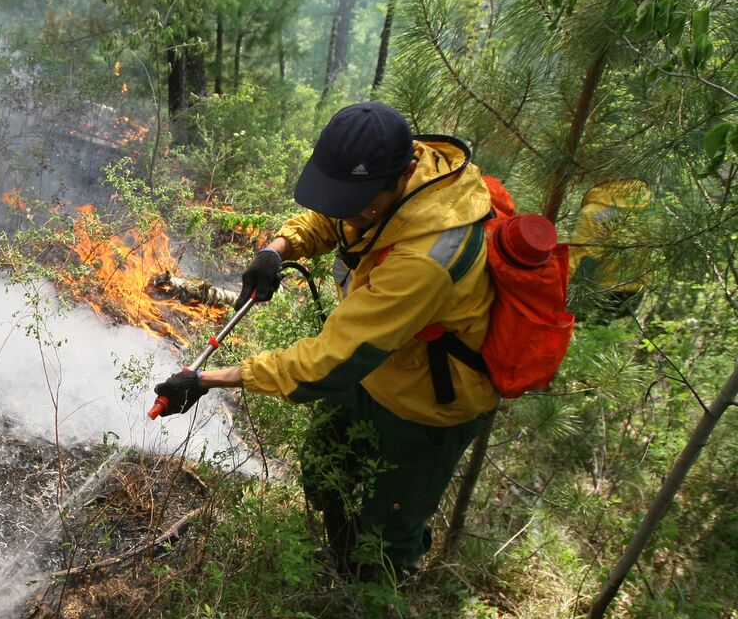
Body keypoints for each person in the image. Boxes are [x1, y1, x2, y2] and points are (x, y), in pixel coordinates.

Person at [154, 102, 498, 578]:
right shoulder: (381, 180)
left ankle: (374, 595)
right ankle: (337, 551)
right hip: (375, 365)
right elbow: (331, 218)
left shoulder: (427, 259)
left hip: (427, 405)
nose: (348, 214)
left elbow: (326, 364)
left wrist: (206, 379)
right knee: (323, 469)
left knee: (387, 535)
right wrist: (276, 250)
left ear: (406, 173)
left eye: (357, 202)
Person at [568, 179, 653, 321]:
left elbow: (587, 255)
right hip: (635, 292)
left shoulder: (594, 212)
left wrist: (575, 302)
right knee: (601, 337)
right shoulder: (646, 209)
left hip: (599, 292)